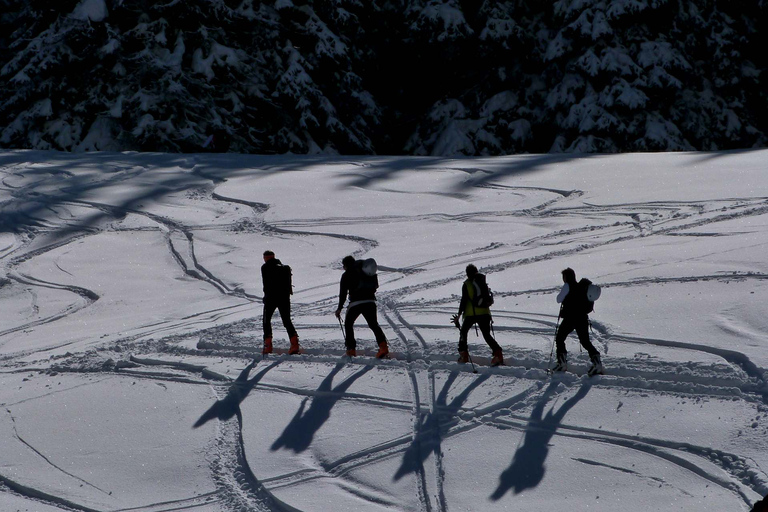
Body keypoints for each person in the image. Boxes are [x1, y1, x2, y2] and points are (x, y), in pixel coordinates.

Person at [334, 255, 389, 358]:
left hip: (356, 303)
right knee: (373, 324)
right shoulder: (365, 270)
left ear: (346, 265)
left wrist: (339, 308)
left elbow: (343, 294)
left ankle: (351, 350)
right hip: (370, 302)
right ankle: (383, 347)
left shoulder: (346, 275)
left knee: (348, 324)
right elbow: (375, 286)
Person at [553, 267, 603, 375]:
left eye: (564, 277)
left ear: (566, 277)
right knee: (585, 342)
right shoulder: (581, 287)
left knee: (560, 338)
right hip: (582, 318)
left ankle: (562, 364)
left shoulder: (568, 285)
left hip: (570, 318)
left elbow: (558, 299)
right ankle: (597, 363)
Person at [453, 264, 503, 367]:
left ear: (467, 274)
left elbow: (464, 300)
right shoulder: (482, 282)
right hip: (485, 313)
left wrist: (459, 315)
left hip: (471, 314)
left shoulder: (467, 284)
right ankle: (498, 354)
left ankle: (464, 355)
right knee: (486, 335)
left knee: (463, 332)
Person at [261, 250, 299, 355]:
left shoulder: (265, 268)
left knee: (266, 320)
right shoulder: (283, 267)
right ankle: (294, 344)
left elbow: (266, 284)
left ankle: (268, 346)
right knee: (286, 321)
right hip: (284, 298)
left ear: (266, 258)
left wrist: (266, 296)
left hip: (271, 298)